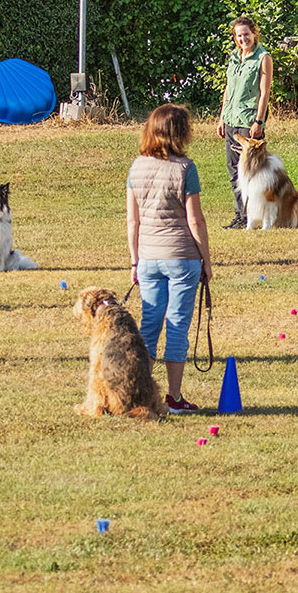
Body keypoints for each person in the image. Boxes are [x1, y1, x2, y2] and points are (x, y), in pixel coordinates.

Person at [128, 104, 214, 413]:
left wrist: (135, 260)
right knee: (177, 325)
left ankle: (140, 394)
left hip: (148, 258)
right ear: (181, 133)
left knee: (149, 326)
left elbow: (132, 221)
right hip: (182, 258)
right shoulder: (185, 168)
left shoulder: (136, 167)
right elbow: (196, 221)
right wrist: (206, 259)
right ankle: (174, 398)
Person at [216, 16, 273, 229]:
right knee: (234, 170)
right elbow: (229, 88)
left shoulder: (263, 57)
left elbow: (264, 91)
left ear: (254, 33)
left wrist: (259, 120)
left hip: (249, 121)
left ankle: (258, 216)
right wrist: (222, 117)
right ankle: (240, 216)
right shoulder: (233, 57)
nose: (243, 39)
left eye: (246, 35)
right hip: (231, 118)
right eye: (239, 36)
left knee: (256, 173)